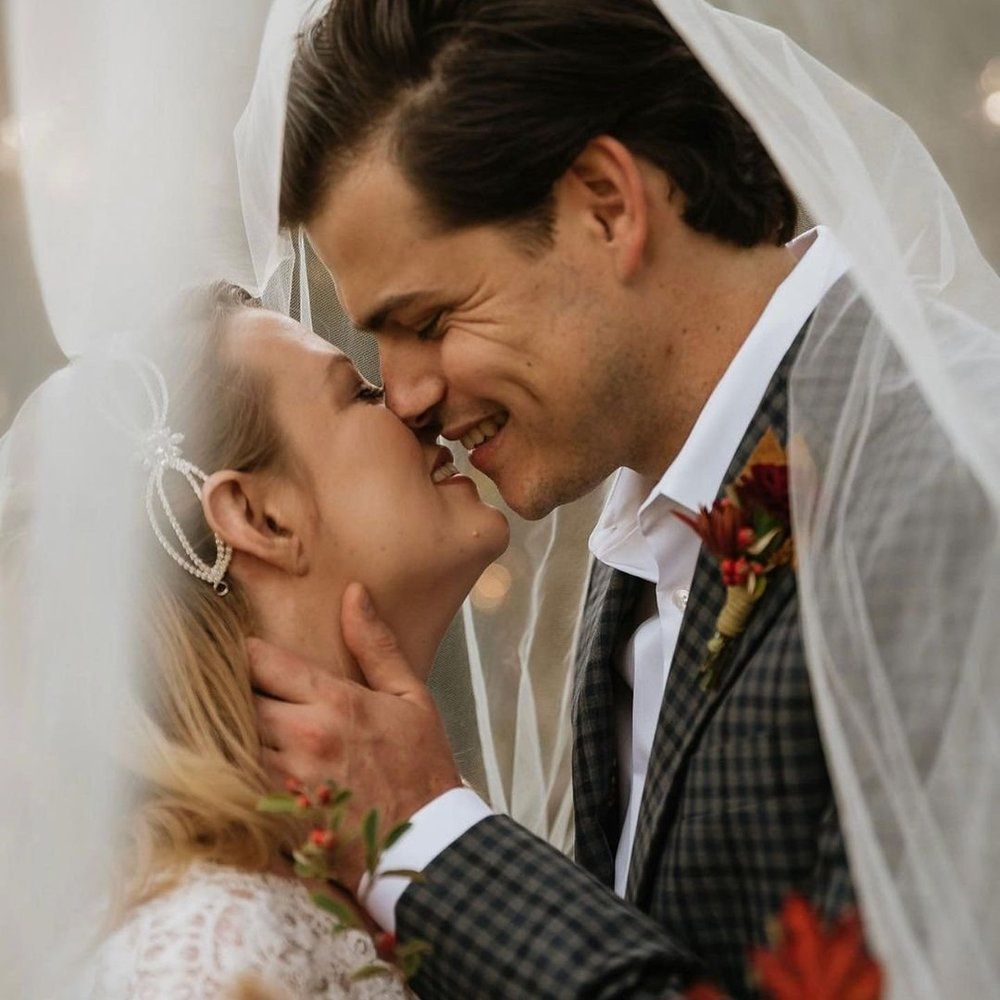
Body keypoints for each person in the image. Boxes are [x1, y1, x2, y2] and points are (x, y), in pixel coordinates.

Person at [248, 1, 871, 997]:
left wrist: (429, 839)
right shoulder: (646, 534)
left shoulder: (935, 487)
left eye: (429, 318)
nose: (404, 395)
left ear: (606, 206)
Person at [86, 283, 509, 997]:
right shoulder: (206, 952)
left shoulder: (402, 824)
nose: (412, 407)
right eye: (361, 393)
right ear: (261, 518)